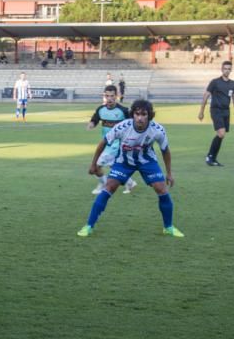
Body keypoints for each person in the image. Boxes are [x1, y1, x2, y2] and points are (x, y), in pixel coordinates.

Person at [77, 100, 184, 238]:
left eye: (144, 114)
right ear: (132, 114)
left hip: (147, 161)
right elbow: (103, 142)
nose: (140, 117)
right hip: (124, 161)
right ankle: (89, 226)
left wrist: (169, 173)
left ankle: (168, 227)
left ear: (149, 115)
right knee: (109, 186)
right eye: (137, 114)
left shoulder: (157, 130)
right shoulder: (122, 127)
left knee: (161, 188)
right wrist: (94, 164)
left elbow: (165, 151)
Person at [87, 85, 137, 195]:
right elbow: (95, 119)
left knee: (96, 166)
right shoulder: (101, 109)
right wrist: (91, 124)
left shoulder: (123, 110)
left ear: (117, 96)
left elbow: (133, 124)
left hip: (118, 145)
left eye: (112, 96)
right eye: (107, 96)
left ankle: (104, 184)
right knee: (114, 166)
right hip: (106, 144)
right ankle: (130, 183)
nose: (109, 98)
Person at [198, 61, 234, 167]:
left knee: (221, 135)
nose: (227, 70)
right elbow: (206, 95)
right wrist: (201, 111)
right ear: (221, 69)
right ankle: (210, 157)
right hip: (216, 110)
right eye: (225, 68)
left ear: (231, 70)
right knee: (221, 133)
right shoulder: (215, 82)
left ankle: (213, 158)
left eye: (229, 69)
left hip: (226, 111)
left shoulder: (232, 83)